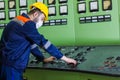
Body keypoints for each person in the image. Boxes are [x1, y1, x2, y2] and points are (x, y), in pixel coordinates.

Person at [0, 2, 77, 80]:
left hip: (6, 64)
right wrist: (65, 59)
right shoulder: (27, 24)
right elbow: (43, 42)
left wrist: (42, 59)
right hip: (11, 67)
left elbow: (31, 44)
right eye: (42, 19)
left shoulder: (18, 19)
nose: (42, 22)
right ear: (36, 14)